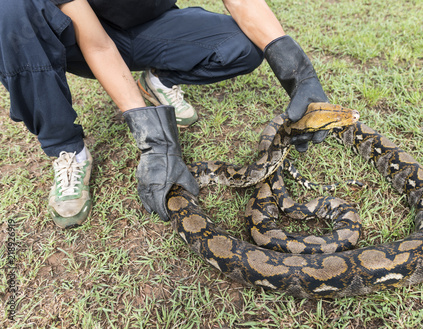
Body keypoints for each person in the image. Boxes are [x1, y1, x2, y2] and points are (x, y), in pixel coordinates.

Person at [0, 0, 331, 228]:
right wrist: (154, 140)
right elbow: (98, 45)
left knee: (241, 47)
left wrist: (299, 72)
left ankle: (160, 78)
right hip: (80, 36)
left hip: (151, 26)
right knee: (10, 9)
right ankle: (66, 148)